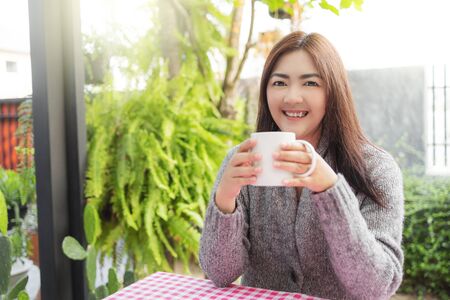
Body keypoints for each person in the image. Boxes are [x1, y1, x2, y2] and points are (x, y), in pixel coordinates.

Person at [199, 31, 404, 300]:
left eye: (310, 83)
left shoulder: (377, 169)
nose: (292, 97)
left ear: (333, 91)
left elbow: (374, 287)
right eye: (279, 83)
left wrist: (330, 190)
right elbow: (220, 273)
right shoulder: (241, 160)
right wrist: (225, 200)